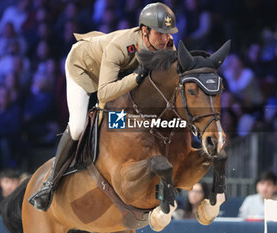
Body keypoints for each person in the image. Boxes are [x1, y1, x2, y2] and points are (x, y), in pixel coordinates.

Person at [29, 2, 178, 211]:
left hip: (114, 73)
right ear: (145, 31)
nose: (166, 39)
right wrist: (137, 77)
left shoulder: (166, 43)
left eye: (168, 33)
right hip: (84, 68)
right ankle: (49, 184)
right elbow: (104, 92)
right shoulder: (122, 46)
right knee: (78, 125)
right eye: (160, 33)